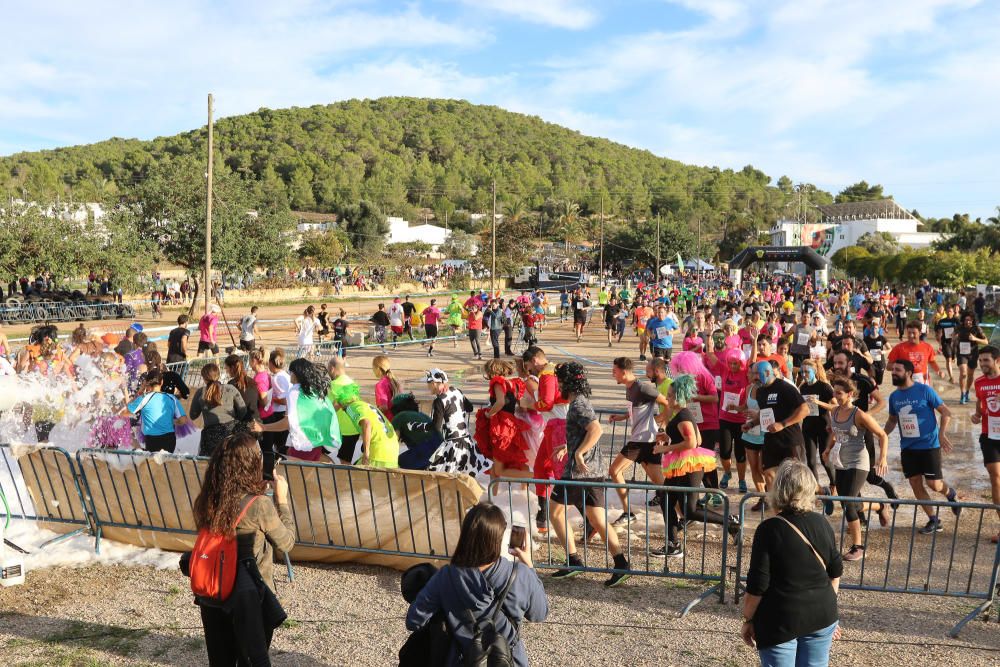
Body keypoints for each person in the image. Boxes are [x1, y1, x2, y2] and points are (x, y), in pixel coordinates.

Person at [191, 432, 295, 666]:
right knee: (251, 659)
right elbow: (286, 543)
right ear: (251, 464)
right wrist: (283, 501)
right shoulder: (259, 505)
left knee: (220, 661)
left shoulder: (209, 498)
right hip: (249, 594)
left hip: (213, 591)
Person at [405, 502, 548, 667]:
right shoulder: (520, 574)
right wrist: (530, 567)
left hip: (463, 659)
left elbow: (414, 621)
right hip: (509, 660)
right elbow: (539, 613)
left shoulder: (446, 577)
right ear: (500, 537)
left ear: (465, 535)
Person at [741, 459, 842, 666]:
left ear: (778, 489)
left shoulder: (769, 529)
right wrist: (827, 607)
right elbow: (835, 571)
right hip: (822, 613)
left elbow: (758, 585)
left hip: (780, 617)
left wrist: (748, 619)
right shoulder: (822, 522)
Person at [547, 362, 633, 587]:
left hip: (580, 473)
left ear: (567, 382)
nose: (558, 385)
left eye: (560, 381)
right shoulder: (579, 403)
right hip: (588, 472)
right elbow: (585, 432)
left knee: (560, 513)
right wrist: (569, 447)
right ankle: (616, 563)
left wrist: (579, 453)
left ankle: (579, 561)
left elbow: (596, 429)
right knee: (592, 518)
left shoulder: (578, 404)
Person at [654, 374, 739, 558]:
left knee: (689, 511)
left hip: (688, 467)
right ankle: (672, 544)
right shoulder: (683, 414)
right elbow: (697, 439)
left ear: (679, 397)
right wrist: (668, 437)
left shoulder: (683, 415)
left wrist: (666, 448)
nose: (667, 398)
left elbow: (693, 443)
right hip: (683, 465)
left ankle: (730, 522)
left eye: (670, 395)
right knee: (665, 499)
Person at [883, 359, 960, 534]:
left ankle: (950, 494)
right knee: (915, 484)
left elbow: (946, 411)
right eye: (893, 369)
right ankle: (934, 520)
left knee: (933, 484)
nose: (893, 372)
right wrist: (881, 435)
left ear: (909, 373)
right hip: (908, 448)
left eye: (898, 370)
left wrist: (941, 433)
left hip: (929, 445)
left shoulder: (924, 390)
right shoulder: (894, 397)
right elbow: (892, 420)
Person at [823, 376, 890, 562]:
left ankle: (858, 547)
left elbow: (882, 435)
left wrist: (882, 458)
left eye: (839, 393)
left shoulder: (859, 414)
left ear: (850, 394)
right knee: (847, 501)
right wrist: (828, 449)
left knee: (848, 504)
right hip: (841, 462)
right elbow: (835, 433)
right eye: (833, 392)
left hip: (859, 463)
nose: (835, 396)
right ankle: (879, 505)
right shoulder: (835, 412)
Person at [607, 356, 669, 525]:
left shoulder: (642, 387)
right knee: (661, 485)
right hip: (645, 440)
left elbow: (667, 403)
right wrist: (622, 417)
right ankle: (685, 513)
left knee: (614, 471)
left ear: (624, 372)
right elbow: (636, 409)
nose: (613, 375)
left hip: (642, 440)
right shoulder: (630, 388)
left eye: (615, 371)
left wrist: (661, 424)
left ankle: (628, 513)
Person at [254, 358, 342, 463]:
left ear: (295, 374)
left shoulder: (294, 392)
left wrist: (263, 427)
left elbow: (288, 423)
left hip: (303, 446)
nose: (289, 374)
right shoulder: (314, 390)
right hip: (316, 443)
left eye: (290, 372)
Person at [745, 361, 809, 486]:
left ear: (768, 372)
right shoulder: (760, 392)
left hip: (790, 440)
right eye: (753, 374)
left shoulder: (785, 388)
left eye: (757, 374)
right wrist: (752, 424)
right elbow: (765, 414)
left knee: (799, 479)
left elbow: (805, 410)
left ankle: (822, 492)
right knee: (769, 473)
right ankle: (778, 504)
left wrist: (782, 424)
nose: (754, 378)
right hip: (770, 439)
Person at [474, 359, 532, 488]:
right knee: (498, 466)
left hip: (501, 427)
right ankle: (494, 497)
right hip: (511, 424)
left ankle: (536, 476)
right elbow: (522, 406)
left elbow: (500, 402)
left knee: (499, 469)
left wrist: (489, 414)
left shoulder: (497, 382)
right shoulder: (514, 384)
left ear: (491, 371)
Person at [425, 368, 490, 476]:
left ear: (434, 383)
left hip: (452, 445)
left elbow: (436, 426)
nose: (427, 386)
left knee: (441, 476)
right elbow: (469, 408)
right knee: (464, 476)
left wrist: (419, 426)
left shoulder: (439, 401)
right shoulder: (457, 391)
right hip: (466, 441)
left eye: (428, 383)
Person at [122, 369, 194, 453]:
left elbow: (126, 412)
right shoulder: (172, 398)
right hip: (170, 439)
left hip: (152, 439)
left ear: (147, 382)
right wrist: (171, 421)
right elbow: (183, 420)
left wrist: (140, 390)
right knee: (166, 465)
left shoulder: (144, 398)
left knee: (153, 464)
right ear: (162, 382)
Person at [329, 381, 399, 468]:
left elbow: (366, 423)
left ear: (342, 400)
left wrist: (366, 453)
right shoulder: (366, 405)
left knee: (357, 479)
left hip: (378, 452)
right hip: (392, 451)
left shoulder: (351, 407)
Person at [971, 345, 1000, 544]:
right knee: (996, 478)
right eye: (980, 361)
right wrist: (977, 415)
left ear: (997, 361)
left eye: (986, 360)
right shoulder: (979, 382)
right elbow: (980, 404)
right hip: (989, 435)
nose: (982, 364)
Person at [190, 363, 249, 457]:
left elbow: (193, 415)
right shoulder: (231, 388)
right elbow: (243, 411)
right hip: (232, 433)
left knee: (213, 467)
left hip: (211, 436)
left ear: (204, 378)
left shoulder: (200, 392)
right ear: (218, 375)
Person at [798, 359, 834, 489]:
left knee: (825, 460)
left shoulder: (824, 387)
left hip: (824, 427)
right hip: (808, 427)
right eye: (802, 372)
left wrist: (818, 403)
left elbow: (835, 406)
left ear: (814, 371)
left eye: (807, 372)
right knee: (811, 461)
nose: (804, 374)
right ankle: (817, 490)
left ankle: (834, 484)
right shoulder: (802, 388)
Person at [391, 393, 442, 470]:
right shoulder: (422, 415)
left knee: (399, 461)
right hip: (442, 448)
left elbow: (393, 442)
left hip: (427, 447)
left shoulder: (399, 417)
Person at [956, 311, 988, 404]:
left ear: (973, 320)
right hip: (962, 354)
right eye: (966, 320)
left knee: (970, 375)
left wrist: (975, 339)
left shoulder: (977, 329)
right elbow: (953, 335)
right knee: (963, 373)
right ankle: (962, 394)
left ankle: (967, 392)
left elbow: (986, 341)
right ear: (963, 320)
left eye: (969, 320)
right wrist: (954, 337)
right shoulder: (959, 327)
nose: (967, 322)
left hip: (973, 354)